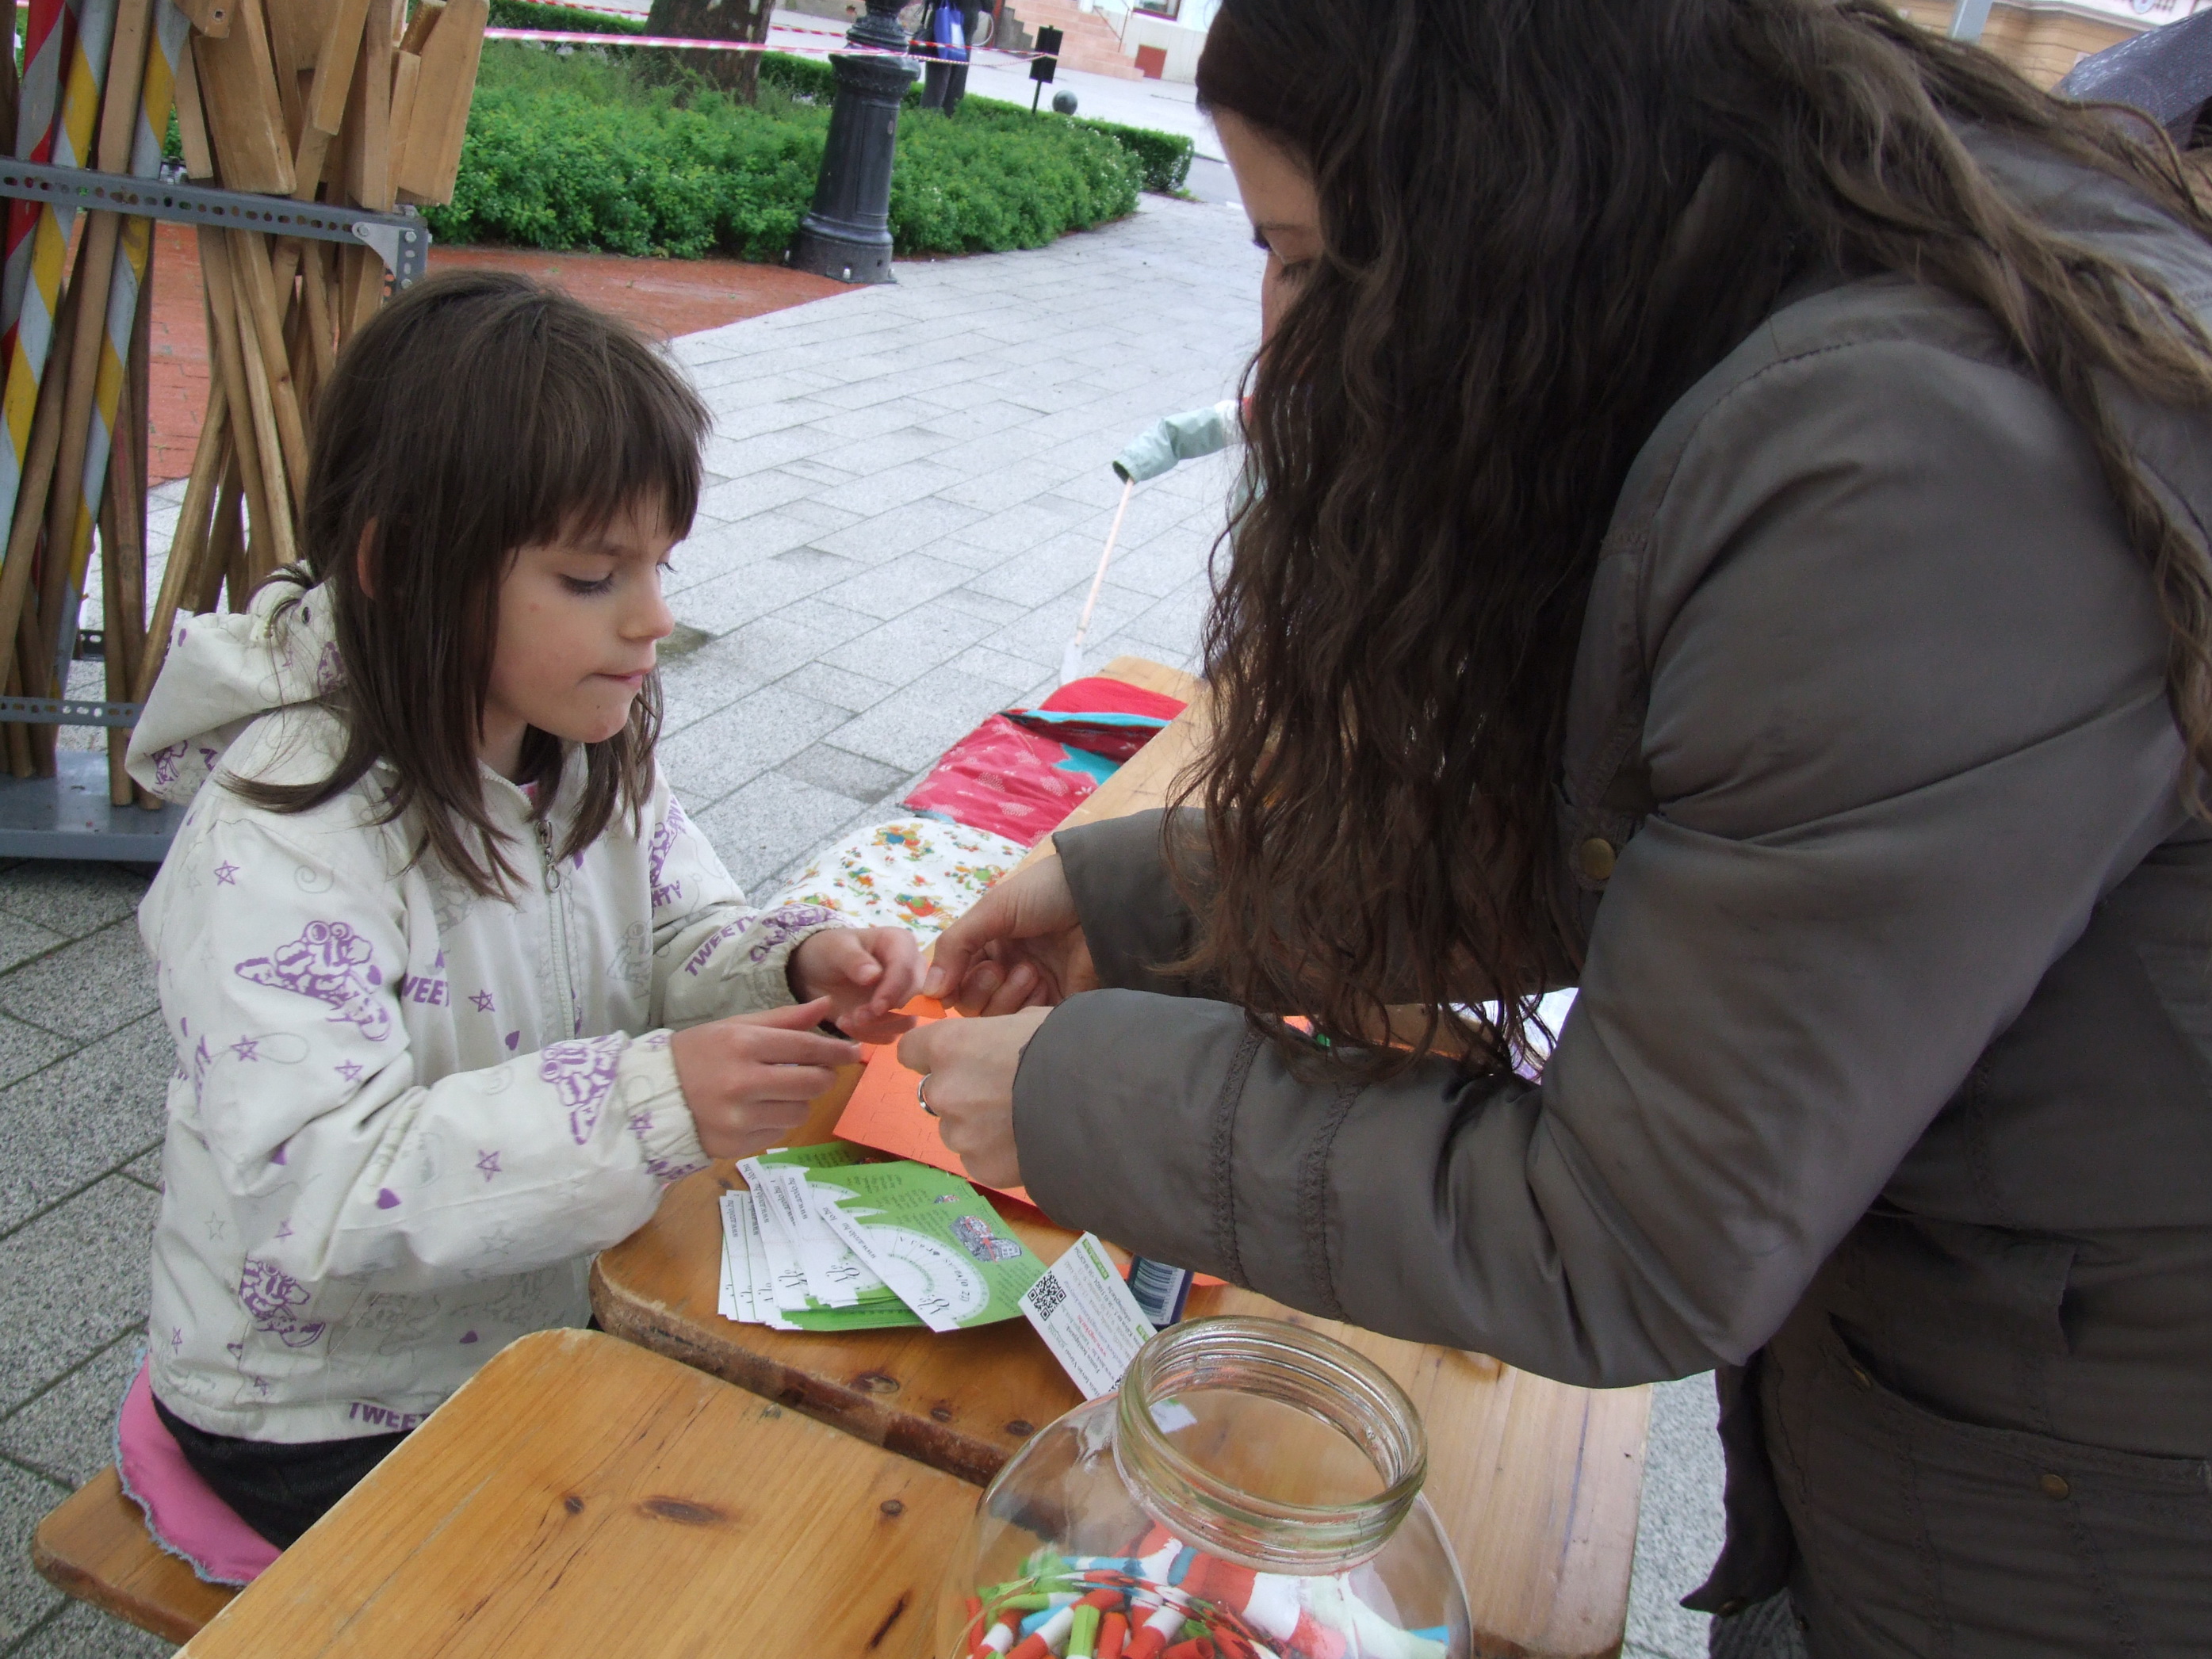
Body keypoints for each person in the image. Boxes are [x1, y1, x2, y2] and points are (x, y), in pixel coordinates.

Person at [897, 2, 2212, 1653]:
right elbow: (1672, 846)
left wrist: (1075, 1096)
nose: (1274, 356)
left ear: (1497, 201)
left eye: (1301, 258)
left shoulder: (1911, 470)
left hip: (2073, 1544)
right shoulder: (1836, 324)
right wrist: (1140, 901)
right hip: (1974, 1446)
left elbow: (1632, 1238)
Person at [126, 273, 925, 1548]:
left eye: (658, 564)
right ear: (404, 568)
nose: (654, 618)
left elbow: (674, 935)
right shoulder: (282, 836)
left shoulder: (583, 748)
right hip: (318, 1405)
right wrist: (649, 1103)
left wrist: (793, 963)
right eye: (593, 575)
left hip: (530, 1309)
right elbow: (319, 1189)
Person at [914, 0, 980, 116]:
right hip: (966, 19)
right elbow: (989, 6)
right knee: (955, 80)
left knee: (937, 80)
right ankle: (946, 117)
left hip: (945, 18)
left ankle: (928, 117)